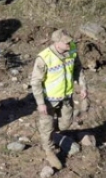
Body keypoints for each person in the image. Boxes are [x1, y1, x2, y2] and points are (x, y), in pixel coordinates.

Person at [31, 29, 89, 170]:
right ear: (57, 43)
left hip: (66, 97)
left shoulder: (72, 51)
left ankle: (52, 133)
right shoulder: (44, 57)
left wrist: (83, 86)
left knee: (65, 124)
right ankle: (49, 150)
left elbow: (78, 69)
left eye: (70, 41)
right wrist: (40, 103)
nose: (70, 43)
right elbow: (35, 82)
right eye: (66, 42)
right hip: (48, 100)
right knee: (47, 126)